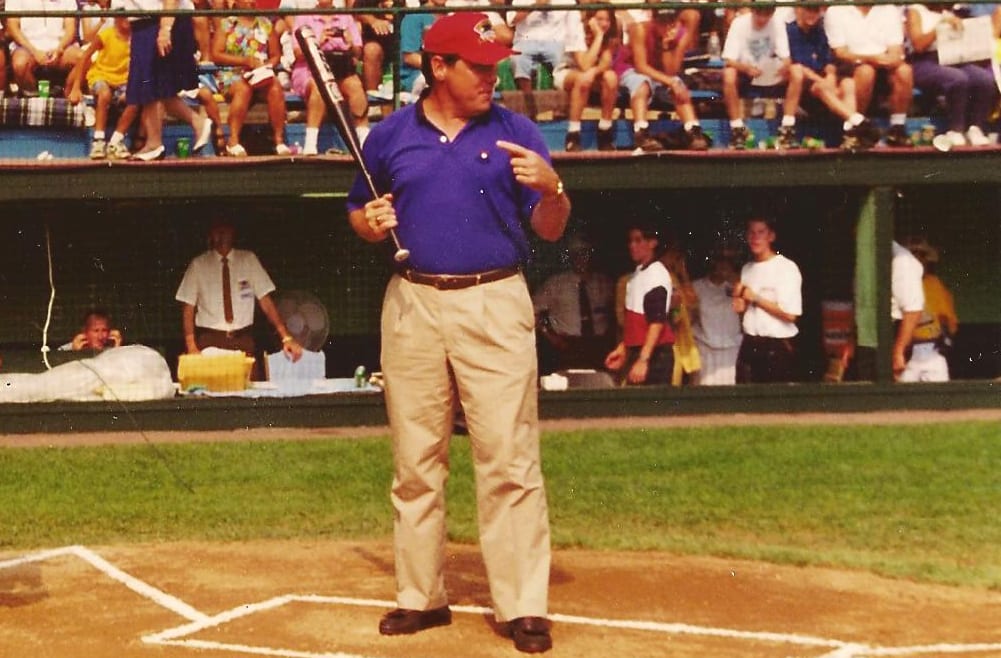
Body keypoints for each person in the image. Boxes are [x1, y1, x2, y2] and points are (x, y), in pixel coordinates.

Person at [345, 12, 570, 653]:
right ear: (436, 66)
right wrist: (371, 220)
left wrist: (555, 189)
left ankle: (523, 605)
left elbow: (550, 227)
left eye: (496, 64)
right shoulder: (389, 137)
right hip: (413, 303)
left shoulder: (516, 131)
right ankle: (421, 597)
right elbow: (360, 212)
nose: (491, 77)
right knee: (416, 461)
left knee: (509, 458)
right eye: (478, 66)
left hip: (495, 300)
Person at [175, 217, 303, 379]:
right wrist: (192, 346)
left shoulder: (248, 260)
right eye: (217, 231)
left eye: (226, 230)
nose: (222, 235)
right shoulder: (198, 265)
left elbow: (266, 302)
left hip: (242, 340)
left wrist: (286, 337)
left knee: (248, 391)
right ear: (210, 234)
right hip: (210, 341)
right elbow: (188, 308)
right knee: (213, 391)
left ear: (233, 233)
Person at [123, 0, 214, 161]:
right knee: (155, 86)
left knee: (150, 82)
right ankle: (196, 124)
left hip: (160, 21)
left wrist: (165, 30)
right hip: (146, 22)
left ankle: (154, 143)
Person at [786, 4, 882, 152]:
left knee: (848, 83)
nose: (812, 14)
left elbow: (829, 62)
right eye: (808, 8)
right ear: (799, 9)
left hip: (824, 85)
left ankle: (851, 130)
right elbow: (797, 65)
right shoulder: (790, 32)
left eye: (815, 9)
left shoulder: (819, 31)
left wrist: (830, 77)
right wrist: (823, 81)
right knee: (821, 87)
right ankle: (859, 121)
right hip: (804, 90)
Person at [905, 3, 998, 148]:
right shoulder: (915, 10)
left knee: (983, 79)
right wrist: (940, 28)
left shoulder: (953, 12)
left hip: (952, 58)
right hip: (924, 61)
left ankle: (976, 128)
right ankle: (955, 129)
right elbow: (918, 45)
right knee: (957, 78)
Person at [617, 8, 710, 152]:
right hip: (630, 69)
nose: (667, 26)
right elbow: (640, 66)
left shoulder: (678, 34)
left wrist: (667, 46)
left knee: (679, 86)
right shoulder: (639, 29)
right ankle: (641, 132)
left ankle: (693, 131)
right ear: (654, 20)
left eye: (670, 22)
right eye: (662, 23)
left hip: (657, 72)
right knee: (642, 84)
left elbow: (671, 71)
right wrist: (670, 81)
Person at [824, 0, 914, 147]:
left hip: (883, 63)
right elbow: (841, 52)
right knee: (866, 72)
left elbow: (895, 50)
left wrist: (888, 60)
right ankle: (857, 128)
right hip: (851, 64)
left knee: (905, 71)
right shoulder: (836, 10)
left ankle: (897, 129)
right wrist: (870, 59)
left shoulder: (889, 9)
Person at [210, 0, 290, 156]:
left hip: (260, 74)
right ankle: (233, 141)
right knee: (243, 88)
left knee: (275, 86)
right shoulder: (227, 24)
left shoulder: (266, 24)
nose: (251, 2)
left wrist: (266, 66)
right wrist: (244, 61)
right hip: (232, 74)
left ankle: (279, 141)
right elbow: (216, 54)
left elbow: (275, 55)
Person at [290, 0, 370, 156]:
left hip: (340, 68)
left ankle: (365, 141)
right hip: (310, 69)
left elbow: (358, 53)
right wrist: (317, 42)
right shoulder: (303, 18)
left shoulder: (346, 17)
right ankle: (311, 143)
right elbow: (297, 53)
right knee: (320, 87)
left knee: (355, 85)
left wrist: (350, 43)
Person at [721, 1, 803, 150]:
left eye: (767, 14)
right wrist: (746, 68)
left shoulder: (778, 23)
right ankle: (737, 128)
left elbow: (786, 57)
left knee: (797, 72)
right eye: (759, 13)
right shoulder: (739, 23)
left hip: (769, 72)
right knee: (728, 75)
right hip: (745, 73)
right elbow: (729, 59)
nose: (763, 19)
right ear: (752, 10)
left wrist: (783, 66)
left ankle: (787, 127)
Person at [732, 216, 802, 384]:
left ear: (771, 236)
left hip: (776, 348)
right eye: (751, 232)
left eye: (761, 232)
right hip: (749, 344)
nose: (755, 237)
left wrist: (755, 298)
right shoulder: (747, 269)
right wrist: (741, 306)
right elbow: (746, 310)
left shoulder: (786, 268)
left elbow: (791, 315)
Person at [605, 222, 675, 386]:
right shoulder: (637, 274)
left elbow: (656, 322)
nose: (632, 246)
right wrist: (624, 348)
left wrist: (643, 360)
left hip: (655, 355)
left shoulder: (656, 273)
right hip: (640, 353)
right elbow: (636, 321)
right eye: (631, 241)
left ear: (652, 243)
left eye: (638, 240)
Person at [533, 235, 616, 371]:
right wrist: (551, 336)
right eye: (576, 254)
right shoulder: (555, 284)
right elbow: (533, 313)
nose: (581, 259)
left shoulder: (604, 283)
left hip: (598, 345)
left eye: (584, 253)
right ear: (570, 257)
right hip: (567, 345)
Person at [67, 11, 138, 160]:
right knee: (104, 94)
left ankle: (116, 141)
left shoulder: (137, 38)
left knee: (135, 98)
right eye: (123, 16)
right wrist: (76, 87)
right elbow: (84, 57)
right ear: (116, 18)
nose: (127, 19)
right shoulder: (105, 35)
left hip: (124, 81)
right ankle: (98, 140)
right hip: (100, 76)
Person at [561, 8, 620, 152]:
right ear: (591, 20)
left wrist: (593, 71)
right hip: (567, 71)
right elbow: (584, 64)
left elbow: (605, 63)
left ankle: (605, 130)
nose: (604, 24)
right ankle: (573, 134)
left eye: (607, 20)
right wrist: (599, 36)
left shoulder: (611, 36)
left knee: (611, 77)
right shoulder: (577, 31)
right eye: (600, 19)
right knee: (583, 78)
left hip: (592, 75)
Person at [5, 0, 84, 95]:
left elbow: (70, 29)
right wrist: (34, 52)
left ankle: (67, 93)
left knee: (82, 58)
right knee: (19, 64)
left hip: (60, 46)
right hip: (28, 47)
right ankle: (34, 96)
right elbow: (13, 28)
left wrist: (59, 49)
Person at [691, 246, 742, 386]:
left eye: (728, 261)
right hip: (704, 349)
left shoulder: (738, 287)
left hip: (732, 350)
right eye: (719, 261)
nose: (723, 266)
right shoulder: (696, 287)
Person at [508, 0, 581, 93]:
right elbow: (511, 20)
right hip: (526, 40)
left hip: (555, 41)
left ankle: (559, 102)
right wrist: (534, 6)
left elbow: (574, 26)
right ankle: (528, 100)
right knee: (518, 59)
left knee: (564, 64)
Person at [890, 239, 926, 381]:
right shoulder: (865, 258)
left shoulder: (901, 261)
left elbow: (913, 310)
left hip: (893, 334)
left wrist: (899, 350)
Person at [59, 309, 123, 351]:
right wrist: (75, 353)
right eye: (96, 331)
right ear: (85, 332)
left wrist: (117, 350)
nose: (100, 337)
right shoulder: (65, 350)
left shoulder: (112, 348)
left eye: (104, 330)